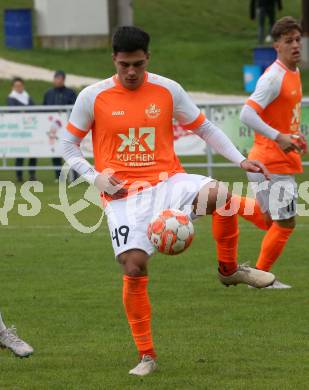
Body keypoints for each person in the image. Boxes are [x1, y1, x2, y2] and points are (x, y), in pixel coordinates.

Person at [61, 26, 275, 376]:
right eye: (124, 65)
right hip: (123, 194)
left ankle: (229, 270)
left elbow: (205, 128)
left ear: (148, 57)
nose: (131, 72)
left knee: (220, 195)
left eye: (138, 64)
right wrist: (94, 177)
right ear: (113, 59)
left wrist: (240, 159)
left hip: (168, 180)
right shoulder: (92, 97)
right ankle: (147, 355)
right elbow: (69, 146)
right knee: (134, 265)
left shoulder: (167, 89)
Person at [239, 16, 306, 288]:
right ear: (276, 45)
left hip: (269, 160)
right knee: (285, 222)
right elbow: (246, 113)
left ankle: (226, 206)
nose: (295, 45)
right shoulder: (274, 77)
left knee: (272, 221)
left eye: (298, 39)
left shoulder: (294, 72)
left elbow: (283, 116)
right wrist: (279, 137)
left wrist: (295, 135)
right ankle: (261, 276)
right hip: (271, 162)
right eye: (288, 40)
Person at [43, 70, 77, 180]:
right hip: (53, 128)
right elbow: (44, 108)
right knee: (55, 149)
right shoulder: (48, 93)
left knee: (70, 151)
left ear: (63, 80)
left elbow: (75, 107)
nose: (57, 81)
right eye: (55, 78)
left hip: (68, 128)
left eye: (59, 78)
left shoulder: (70, 93)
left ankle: (74, 176)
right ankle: (58, 175)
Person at [7, 77, 37, 182]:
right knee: (20, 153)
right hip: (19, 131)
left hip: (30, 129)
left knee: (33, 152)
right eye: (16, 86)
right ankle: (19, 175)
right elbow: (13, 111)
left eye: (20, 85)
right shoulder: (11, 98)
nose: (19, 88)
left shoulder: (27, 97)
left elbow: (34, 109)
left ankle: (32, 174)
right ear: (13, 87)